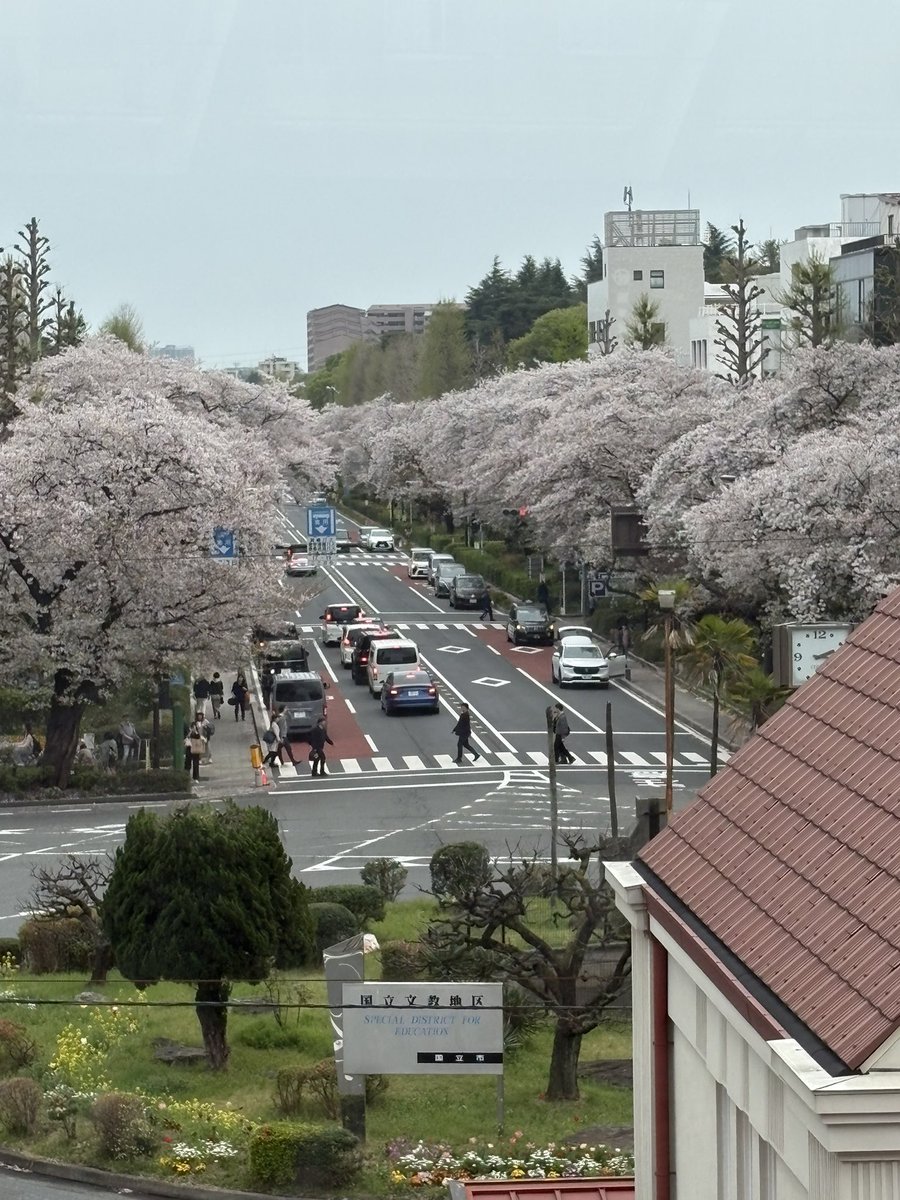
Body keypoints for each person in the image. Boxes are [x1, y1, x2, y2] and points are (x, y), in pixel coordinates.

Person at [185, 715, 205, 781]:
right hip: (191, 747)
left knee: (194, 762)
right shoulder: (190, 730)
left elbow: (200, 736)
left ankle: (195, 777)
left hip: (195, 747)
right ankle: (189, 776)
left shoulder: (200, 726)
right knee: (189, 762)